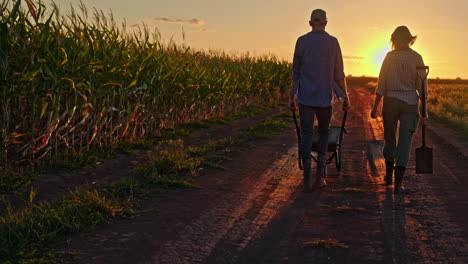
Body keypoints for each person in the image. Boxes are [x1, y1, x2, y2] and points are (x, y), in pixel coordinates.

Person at [288, 9, 350, 192]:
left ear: (310, 23)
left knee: (306, 134)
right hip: (324, 97)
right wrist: (345, 97)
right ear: (326, 22)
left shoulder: (302, 41)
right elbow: (339, 73)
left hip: (306, 97)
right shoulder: (333, 42)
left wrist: (292, 96)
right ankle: (319, 178)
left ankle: (307, 179)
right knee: (324, 133)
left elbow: (296, 73)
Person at [371, 25, 428, 194]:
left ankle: (389, 177)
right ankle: (398, 184)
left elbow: (381, 84)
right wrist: (424, 111)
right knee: (405, 142)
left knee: (390, 139)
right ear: (410, 40)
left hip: (391, 101)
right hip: (410, 101)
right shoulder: (417, 57)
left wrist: (375, 107)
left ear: (394, 40)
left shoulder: (389, 57)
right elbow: (422, 87)